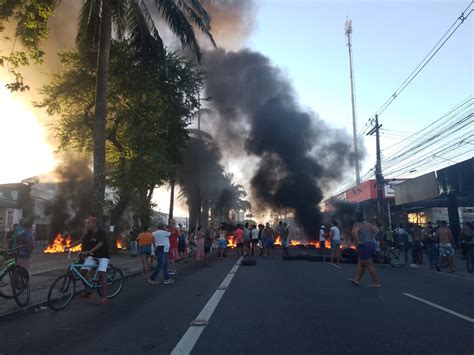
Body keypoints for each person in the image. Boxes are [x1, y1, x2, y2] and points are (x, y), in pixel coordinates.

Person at [73, 216, 111, 305]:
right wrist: (69, 247)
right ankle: (88, 290)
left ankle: (105, 297)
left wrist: (89, 251)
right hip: (93, 256)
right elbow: (80, 241)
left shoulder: (101, 232)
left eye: (89, 223)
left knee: (102, 273)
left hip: (103, 256)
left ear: (94, 223)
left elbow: (100, 244)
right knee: (81, 272)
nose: (87, 224)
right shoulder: (89, 233)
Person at [349, 212, 381, 288]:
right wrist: (372, 237)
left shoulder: (357, 224)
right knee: (361, 263)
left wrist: (357, 241)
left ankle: (375, 282)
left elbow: (354, 232)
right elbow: (377, 230)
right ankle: (357, 279)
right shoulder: (368, 224)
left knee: (369, 264)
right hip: (371, 244)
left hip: (364, 245)